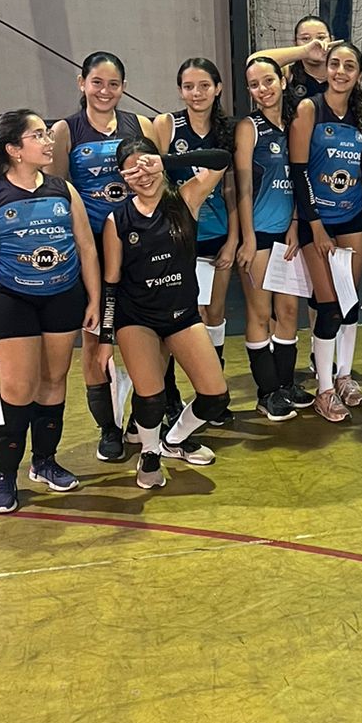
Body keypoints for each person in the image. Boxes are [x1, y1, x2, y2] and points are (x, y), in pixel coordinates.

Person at [0, 110, 101, 513]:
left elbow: (86, 247)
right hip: (10, 300)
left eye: (47, 133)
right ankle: (5, 474)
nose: (48, 141)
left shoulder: (63, 190)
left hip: (62, 296)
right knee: (18, 389)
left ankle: (45, 461)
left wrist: (94, 298)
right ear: (14, 149)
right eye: (38, 135)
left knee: (53, 381)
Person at [100, 140, 231, 489]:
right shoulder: (118, 220)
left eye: (147, 166)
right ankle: (149, 452)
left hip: (182, 314)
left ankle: (173, 440)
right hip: (137, 317)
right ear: (122, 177)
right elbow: (111, 283)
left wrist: (166, 161)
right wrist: (105, 339)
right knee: (151, 396)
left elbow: (221, 159)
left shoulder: (185, 199)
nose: (142, 175)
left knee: (215, 396)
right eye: (133, 170)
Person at [50, 52, 157, 462]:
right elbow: (58, 193)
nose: (105, 91)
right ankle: (108, 427)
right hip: (92, 247)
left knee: (146, 329)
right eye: (97, 82)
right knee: (95, 335)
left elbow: (158, 182)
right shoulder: (67, 130)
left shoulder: (141, 125)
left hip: (137, 243)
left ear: (123, 87)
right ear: (82, 83)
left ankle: (143, 416)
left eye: (113, 84)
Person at [152, 57, 237, 425]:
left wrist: (234, 238)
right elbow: (154, 179)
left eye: (204, 85)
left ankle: (213, 397)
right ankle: (169, 398)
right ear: (180, 91)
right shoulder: (166, 125)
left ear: (218, 88)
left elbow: (232, 188)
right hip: (177, 239)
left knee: (214, 314)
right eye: (189, 86)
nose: (196, 93)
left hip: (216, 235)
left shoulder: (228, 130)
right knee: (177, 319)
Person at [290, 41, 362, 422]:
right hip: (317, 220)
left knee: (348, 301)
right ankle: (324, 389)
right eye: (335, 64)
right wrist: (315, 226)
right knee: (328, 305)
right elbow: (299, 171)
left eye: (349, 66)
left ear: (358, 74)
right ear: (326, 69)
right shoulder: (309, 108)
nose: (341, 71)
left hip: (353, 217)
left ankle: (344, 376)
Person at [234, 56, 302, 421]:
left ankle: (286, 385)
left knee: (288, 311)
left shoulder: (295, 125)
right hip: (258, 234)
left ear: (283, 81)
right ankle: (267, 392)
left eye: (268, 81)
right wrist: (247, 237)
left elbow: (300, 179)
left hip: (287, 235)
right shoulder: (250, 127)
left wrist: (295, 223)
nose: (263, 89)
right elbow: (242, 187)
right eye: (254, 84)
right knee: (260, 313)